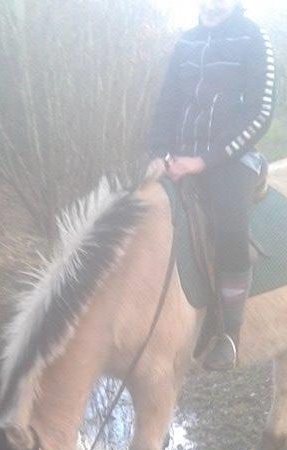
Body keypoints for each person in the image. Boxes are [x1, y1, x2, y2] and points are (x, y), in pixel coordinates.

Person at [148, 1, 275, 370]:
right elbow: (166, 103)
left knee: (230, 223)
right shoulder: (187, 42)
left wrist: (205, 161)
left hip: (231, 159)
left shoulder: (253, 35)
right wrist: (159, 153)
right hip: (179, 157)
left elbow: (261, 113)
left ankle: (228, 333)